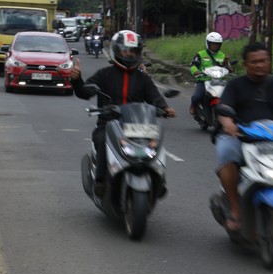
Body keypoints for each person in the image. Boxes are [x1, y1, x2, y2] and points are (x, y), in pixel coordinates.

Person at [213, 42, 273, 231]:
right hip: (238, 137)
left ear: (269, 61)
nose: (259, 65)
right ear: (246, 64)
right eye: (254, 61)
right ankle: (235, 209)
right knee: (227, 157)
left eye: (263, 61)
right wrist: (229, 125)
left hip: (269, 139)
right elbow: (224, 110)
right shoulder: (235, 85)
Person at [71, 30, 176, 196]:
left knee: (155, 140)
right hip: (110, 123)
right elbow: (84, 92)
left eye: (133, 50)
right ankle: (100, 181)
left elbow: (154, 96)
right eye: (125, 50)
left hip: (137, 124)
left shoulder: (143, 78)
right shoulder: (104, 74)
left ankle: (158, 178)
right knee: (101, 137)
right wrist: (76, 80)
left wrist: (164, 108)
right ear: (116, 50)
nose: (129, 54)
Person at [190, 32, 231, 117]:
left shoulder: (222, 55)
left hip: (218, 81)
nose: (215, 46)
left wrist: (228, 66)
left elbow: (227, 67)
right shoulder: (200, 54)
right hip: (203, 80)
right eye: (213, 44)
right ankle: (193, 106)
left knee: (228, 97)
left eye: (217, 44)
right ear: (208, 44)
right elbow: (193, 66)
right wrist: (196, 72)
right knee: (197, 96)